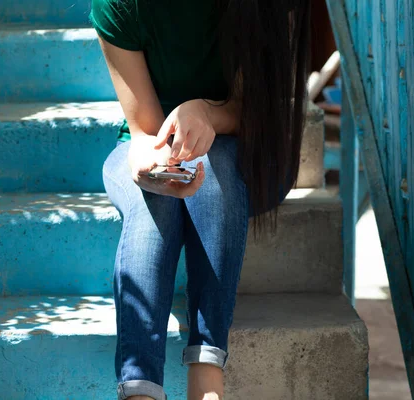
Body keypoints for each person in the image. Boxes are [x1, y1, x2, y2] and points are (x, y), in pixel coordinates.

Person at [91, 1, 311, 399]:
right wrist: (148, 162)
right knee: (150, 200)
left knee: (214, 168)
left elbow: (263, 113)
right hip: (154, 141)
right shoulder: (119, 5)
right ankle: (140, 391)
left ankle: (206, 381)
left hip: (249, 156)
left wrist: (206, 113)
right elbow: (144, 130)